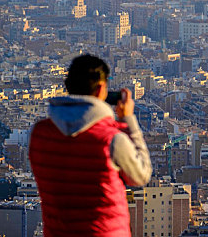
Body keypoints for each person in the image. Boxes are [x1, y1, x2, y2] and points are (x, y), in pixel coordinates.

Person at [29, 54, 152, 236]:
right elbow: (141, 176)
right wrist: (128, 120)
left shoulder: (39, 133)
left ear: (68, 85)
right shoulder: (111, 140)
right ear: (101, 88)